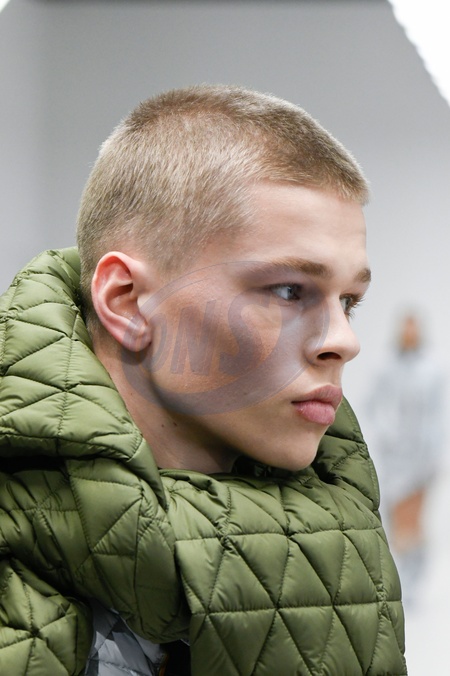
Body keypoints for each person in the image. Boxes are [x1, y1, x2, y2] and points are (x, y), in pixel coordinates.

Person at [0, 85, 406, 675]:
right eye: (289, 290)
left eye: (349, 301)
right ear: (127, 302)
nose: (344, 340)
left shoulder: (345, 550)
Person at [367, 311, 446, 607]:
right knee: (397, 520)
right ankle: (398, 578)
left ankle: (415, 581)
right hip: (393, 459)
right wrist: (384, 436)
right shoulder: (386, 367)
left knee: (415, 520)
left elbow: (438, 414)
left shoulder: (432, 369)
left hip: (422, 459)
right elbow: (373, 406)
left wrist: (434, 453)